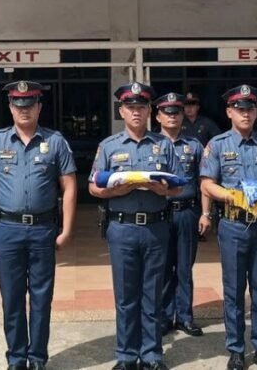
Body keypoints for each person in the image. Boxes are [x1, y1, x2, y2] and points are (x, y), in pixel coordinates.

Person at [0, 81, 77, 370]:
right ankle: (17, 358)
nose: (24, 110)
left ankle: (38, 358)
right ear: (10, 107)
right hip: (7, 230)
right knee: (12, 298)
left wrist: (66, 229)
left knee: (42, 298)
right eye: (18, 105)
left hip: (43, 229)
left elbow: (68, 187)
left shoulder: (55, 141)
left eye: (30, 104)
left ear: (39, 107)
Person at [90, 82, 183, 370]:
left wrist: (162, 190)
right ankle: (127, 356)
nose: (136, 112)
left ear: (149, 110)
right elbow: (93, 186)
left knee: (152, 295)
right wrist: (112, 192)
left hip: (156, 228)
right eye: (130, 107)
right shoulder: (108, 146)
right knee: (126, 296)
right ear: (121, 111)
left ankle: (153, 355)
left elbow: (179, 187)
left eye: (141, 107)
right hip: (122, 229)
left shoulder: (163, 145)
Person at [200, 85, 257, 370]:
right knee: (234, 290)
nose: (246, 114)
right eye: (240, 109)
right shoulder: (217, 145)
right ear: (229, 112)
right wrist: (231, 195)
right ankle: (236, 349)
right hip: (233, 225)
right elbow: (206, 183)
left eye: (250, 109)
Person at [154, 92, 211, 338]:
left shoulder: (194, 145)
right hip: (160, 213)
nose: (173, 116)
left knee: (185, 267)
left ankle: (185, 317)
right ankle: (165, 317)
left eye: (176, 112)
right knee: (164, 267)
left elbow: (205, 181)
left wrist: (206, 213)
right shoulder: (150, 145)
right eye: (167, 112)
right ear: (158, 116)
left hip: (187, 211)